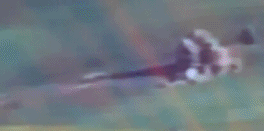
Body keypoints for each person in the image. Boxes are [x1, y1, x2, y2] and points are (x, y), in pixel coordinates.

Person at [82, 28, 252, 87]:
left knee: (140, 73)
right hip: (181, 64)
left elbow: (197, 74)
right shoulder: (220, 58)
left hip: (181, 64)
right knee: (140, 73)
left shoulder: (219, 60)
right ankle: (101, 77)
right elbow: (198, 75)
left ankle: (101, 77)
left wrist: (175, 82)